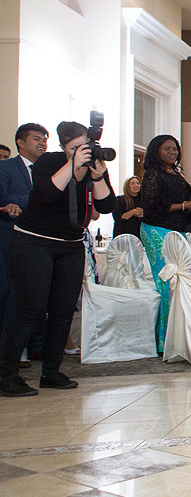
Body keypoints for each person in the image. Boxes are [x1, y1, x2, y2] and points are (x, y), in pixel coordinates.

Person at [0, 121, 115, 397]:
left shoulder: (92, 166)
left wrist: (98, 176)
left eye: (84, 147)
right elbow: (46, 195)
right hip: (32, 242)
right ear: (63, 147)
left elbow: (106, 206)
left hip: (71, 245)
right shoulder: (48, 162)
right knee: (30, 310)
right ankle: (5, 376)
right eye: (75, 148)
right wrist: (72, 165)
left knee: (63, 312)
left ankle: (51, 372)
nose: (81, 152)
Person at [139, 134, 191, 353]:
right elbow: (152, 205)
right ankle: (165, 342)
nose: (172, 152)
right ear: (156, 150)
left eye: (175, 149)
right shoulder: (152, 174)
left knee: (183, 281)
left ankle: (183, 335)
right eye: (167, 148)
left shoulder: (176, 172)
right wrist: (184, 205)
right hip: (157, 229)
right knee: (167, 281)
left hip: (178, 231)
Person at [0, 123, 49, 363]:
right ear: (20, 142)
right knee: (12, 293)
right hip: (11, 238)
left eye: (44, 139)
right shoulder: (6, 167)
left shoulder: (49, 170)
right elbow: (5, 200)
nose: (42, 143)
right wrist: (36, 198)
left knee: (39, 292)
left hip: (43, 240)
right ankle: (11, 348)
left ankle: (37, 344)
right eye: (37, 139)